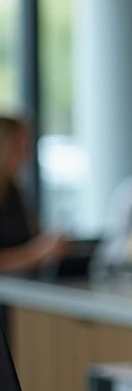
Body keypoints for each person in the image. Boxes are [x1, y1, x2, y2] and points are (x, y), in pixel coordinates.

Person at [0, 117, 67, 274]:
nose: (25, 156)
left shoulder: (14, 191)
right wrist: (37, 253)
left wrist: (48, 243)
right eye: (18, 147)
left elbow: (30, 237)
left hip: (20, 289)